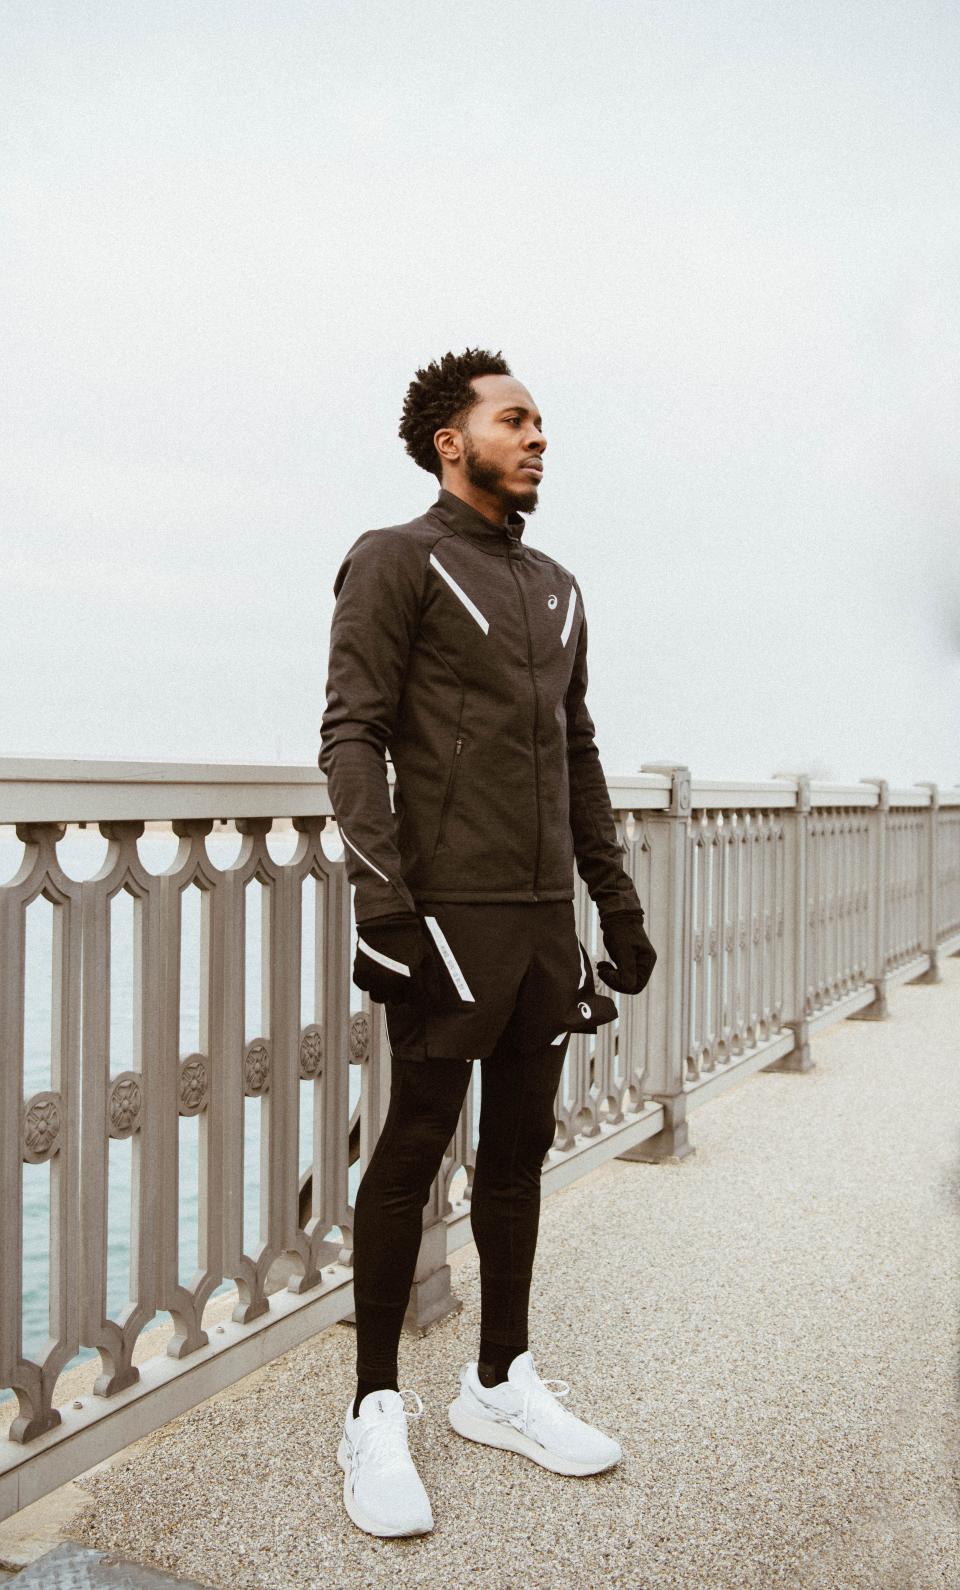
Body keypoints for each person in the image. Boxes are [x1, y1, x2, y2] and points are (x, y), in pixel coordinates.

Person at [318, 347, 656, 1538]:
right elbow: (353, 736)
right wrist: (381, 903)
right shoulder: (395, 560)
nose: (539, 437)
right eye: (516, 420)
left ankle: (500, 1381)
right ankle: (372, 1413)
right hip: (443, 918)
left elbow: (577, 755)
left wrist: (613, 904)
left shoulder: (558, 587)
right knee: (412, 1149)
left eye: (543, 422)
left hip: (539, 925)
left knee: (516, 1156)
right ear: (451, 440)